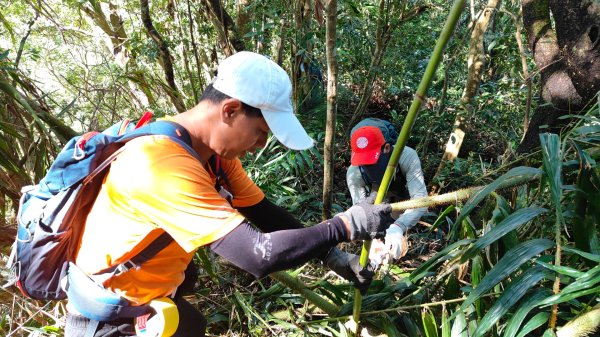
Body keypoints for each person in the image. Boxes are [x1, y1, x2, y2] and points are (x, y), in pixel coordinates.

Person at [65, 51, 394, 337]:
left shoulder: (214, 158)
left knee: (191, 325)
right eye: (261, 132)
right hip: (109, 319)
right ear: (231, 110)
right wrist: (346, 226)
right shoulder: (160, 163)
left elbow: (265, 214)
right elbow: (258, 255)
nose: (261, 145)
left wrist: (334, 257)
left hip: (155, 303)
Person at [347, 120, 428, 266]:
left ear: (387, 148)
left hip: (401, 194)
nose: (366, 165)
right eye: (362, 160)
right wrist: (374, 240)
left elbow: (421, 200)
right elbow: (361, 212)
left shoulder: (406, 156)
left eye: (371, 159)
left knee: (396, 227)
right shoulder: (354, 172)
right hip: (376, 196)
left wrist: (399, 227)